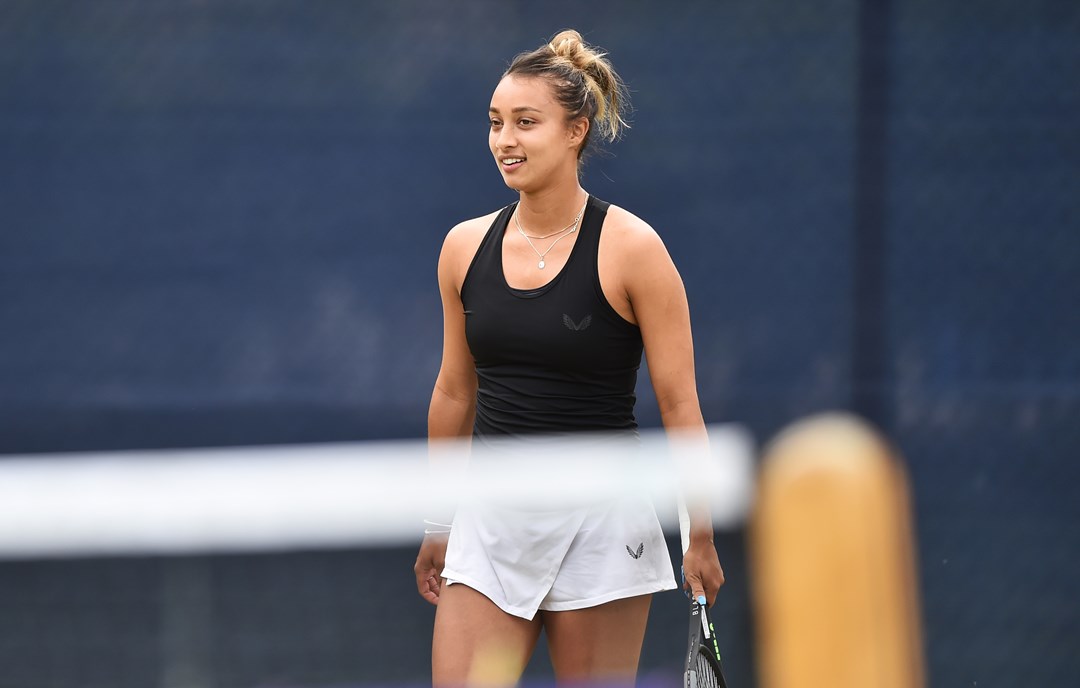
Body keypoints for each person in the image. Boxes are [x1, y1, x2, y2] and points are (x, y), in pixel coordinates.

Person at [413, 29, 724, 686]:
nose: (505, 140)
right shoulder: (462, 248)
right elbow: (454, 392)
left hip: (603, 524)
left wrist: (700, 534)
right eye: (496, 122)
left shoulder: (635, 249)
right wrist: (439, 522)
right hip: (492, 523)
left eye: (526, 122)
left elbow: (679, 403)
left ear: (576, 131)